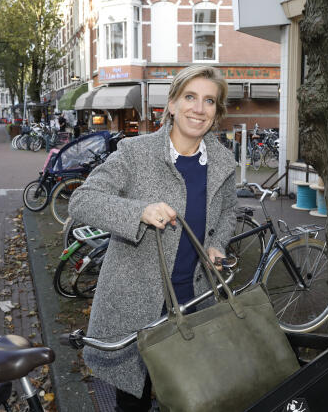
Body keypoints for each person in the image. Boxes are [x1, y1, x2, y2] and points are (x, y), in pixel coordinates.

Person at [68, 65, 237, 411]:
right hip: (136, 308)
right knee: (134, 402)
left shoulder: (223, 162)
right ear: (172, 104)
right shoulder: (135, 153)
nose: (198, 108)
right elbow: (81, 200)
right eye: (189, 97)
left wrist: (217, 243)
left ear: (216, 113)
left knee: (193, 398)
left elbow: (228, 212)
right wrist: (138, 211)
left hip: (193, 304)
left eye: (209, 101)